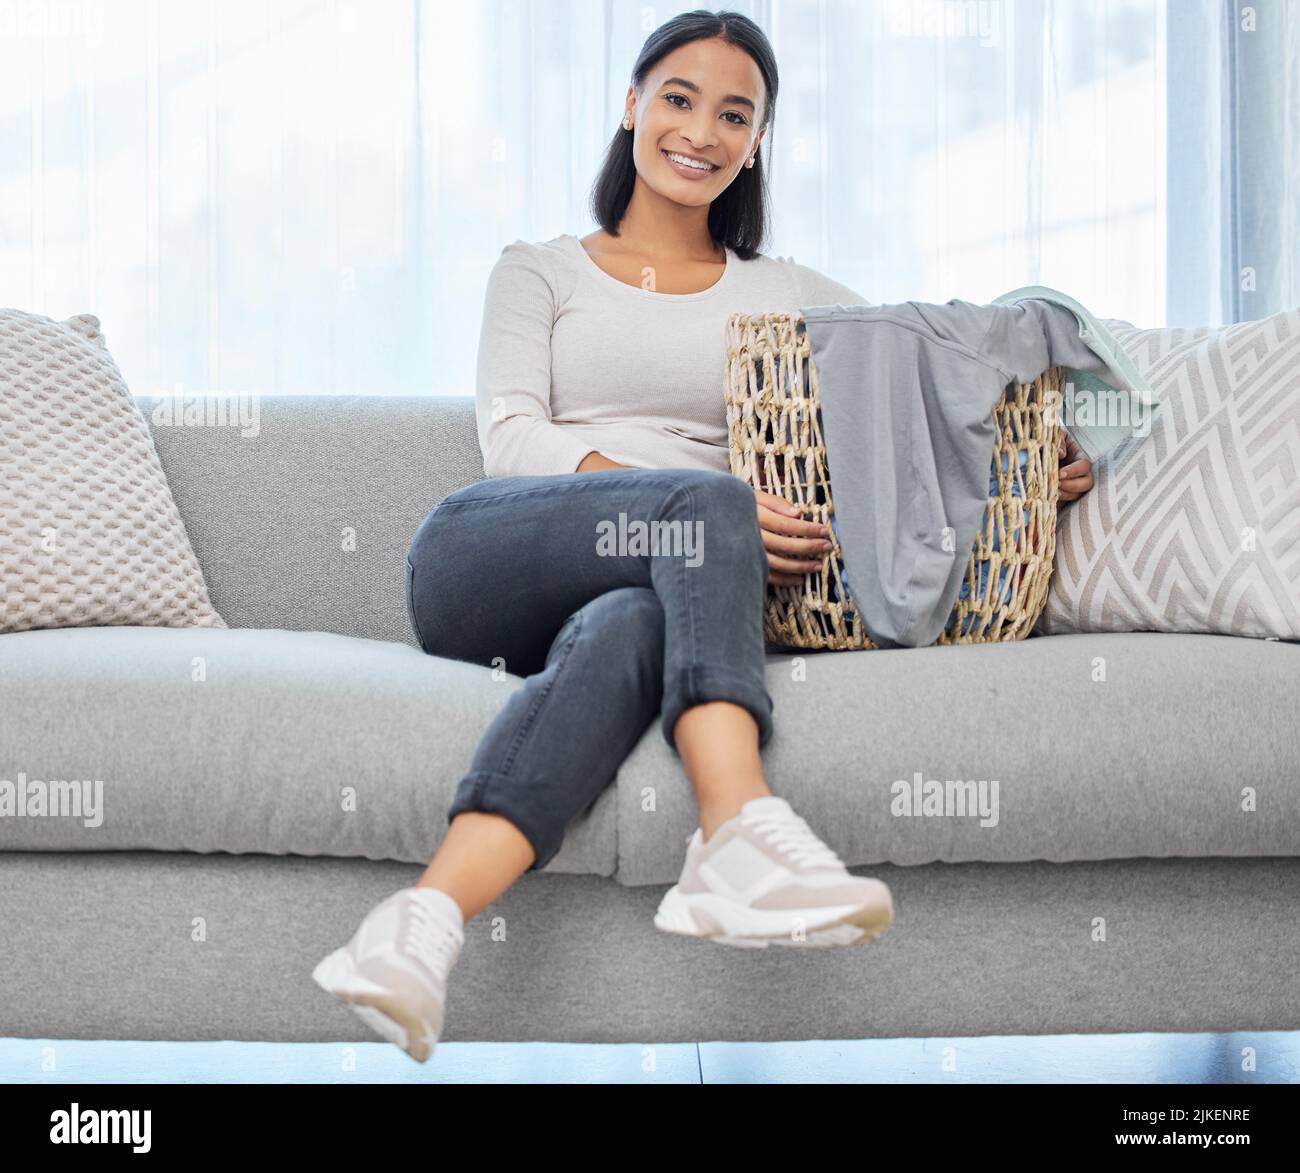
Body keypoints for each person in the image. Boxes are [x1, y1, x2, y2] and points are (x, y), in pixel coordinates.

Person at [312, 9, 1095, 1065]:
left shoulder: (787, 293)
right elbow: (511, 437)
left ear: (757, 140)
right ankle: (738, 828)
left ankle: (416, 928)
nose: (701, 131)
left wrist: (1027, 453)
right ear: (632, 104)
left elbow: (921, 373)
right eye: (679, 98)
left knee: (636, 629)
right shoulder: (542, 268)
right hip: (489, 560)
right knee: (706, 498)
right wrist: (691, 499)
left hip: (640, 597)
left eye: (736, 114)